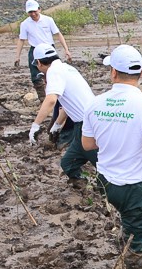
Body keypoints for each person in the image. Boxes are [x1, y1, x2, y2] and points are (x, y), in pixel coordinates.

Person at [81, 45, 142, 262]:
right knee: (138, 234)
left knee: (132, 218)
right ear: (141, 73)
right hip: (135, 184)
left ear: (113, 72)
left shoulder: (94, 103)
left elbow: (88, 145)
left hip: (106, 181)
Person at [28, 43, 97, 184]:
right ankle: (83, 185)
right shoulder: (67, 68)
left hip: (88, 124)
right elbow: (69, 103)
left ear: (39, 63)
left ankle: (112, 190)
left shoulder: (54, 71)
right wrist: (57, 124)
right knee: (68, 164)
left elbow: (51, 100)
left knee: (102, 163)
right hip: (82, 124)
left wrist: (35, 125)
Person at [14, 0, 72, 102]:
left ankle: (58, 98)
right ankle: (43, 99)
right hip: (35, 50)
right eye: (30, 12)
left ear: (39, 9)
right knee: (36, 75)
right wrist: (17, 56)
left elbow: (58, 34)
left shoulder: (48, 20)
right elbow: (21, 40)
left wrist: (66, 49)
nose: (33, 14)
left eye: (34, 11)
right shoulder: (25, 24)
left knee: (54, 73)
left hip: (49, 49)